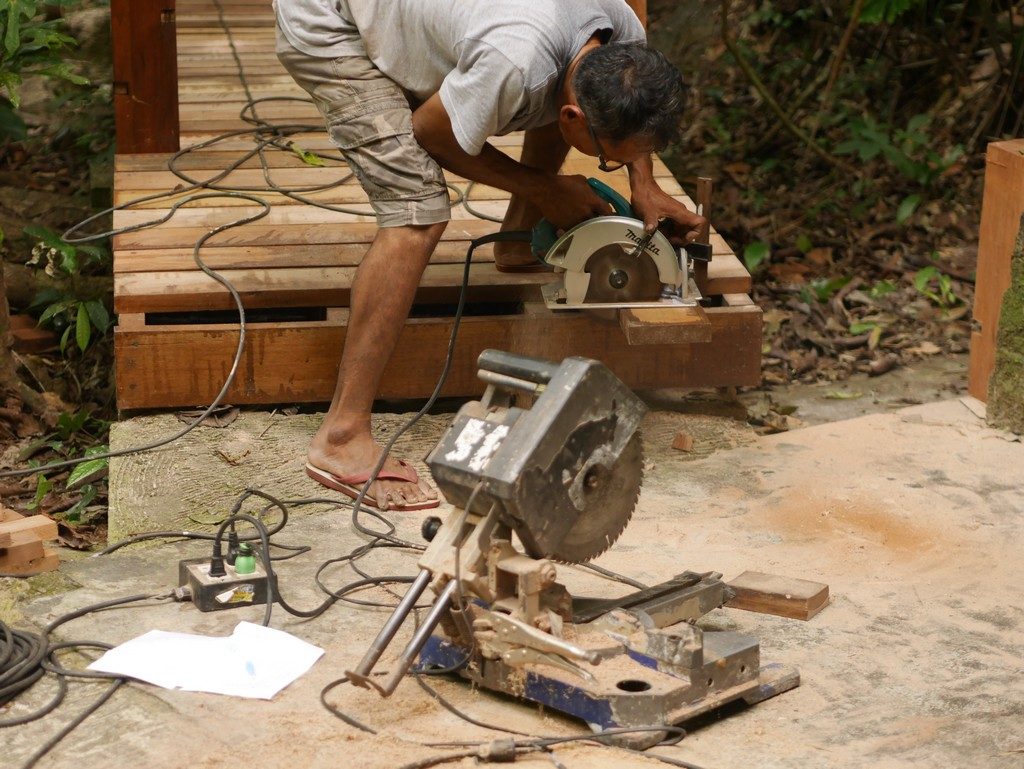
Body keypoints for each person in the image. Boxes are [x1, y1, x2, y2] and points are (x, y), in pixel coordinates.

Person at [274, 0, 707, 512]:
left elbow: (591, 98)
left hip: (473, 28)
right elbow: (431, 132)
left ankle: (517, 237)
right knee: (417, 212)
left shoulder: (622, 34)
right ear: (573, 116)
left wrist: (644, 182)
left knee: (537, 84)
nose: (615, 164)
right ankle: (341, 436)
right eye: (613, 156)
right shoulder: (515, 61)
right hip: (331, 18)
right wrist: (547, 191)